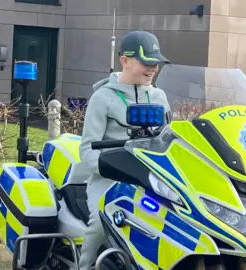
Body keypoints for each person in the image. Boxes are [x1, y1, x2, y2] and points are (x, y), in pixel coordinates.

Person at [78, 30, 172, 270]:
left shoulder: (160, 96)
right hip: (108, 180)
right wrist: (114, 169)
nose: (153, 69)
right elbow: (87, 150)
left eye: (156, 63)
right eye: (146, 62)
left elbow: (169, 140)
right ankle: (84, 265)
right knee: (101, 222)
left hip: (150, 180)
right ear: (125, 61)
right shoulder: (103, 97)